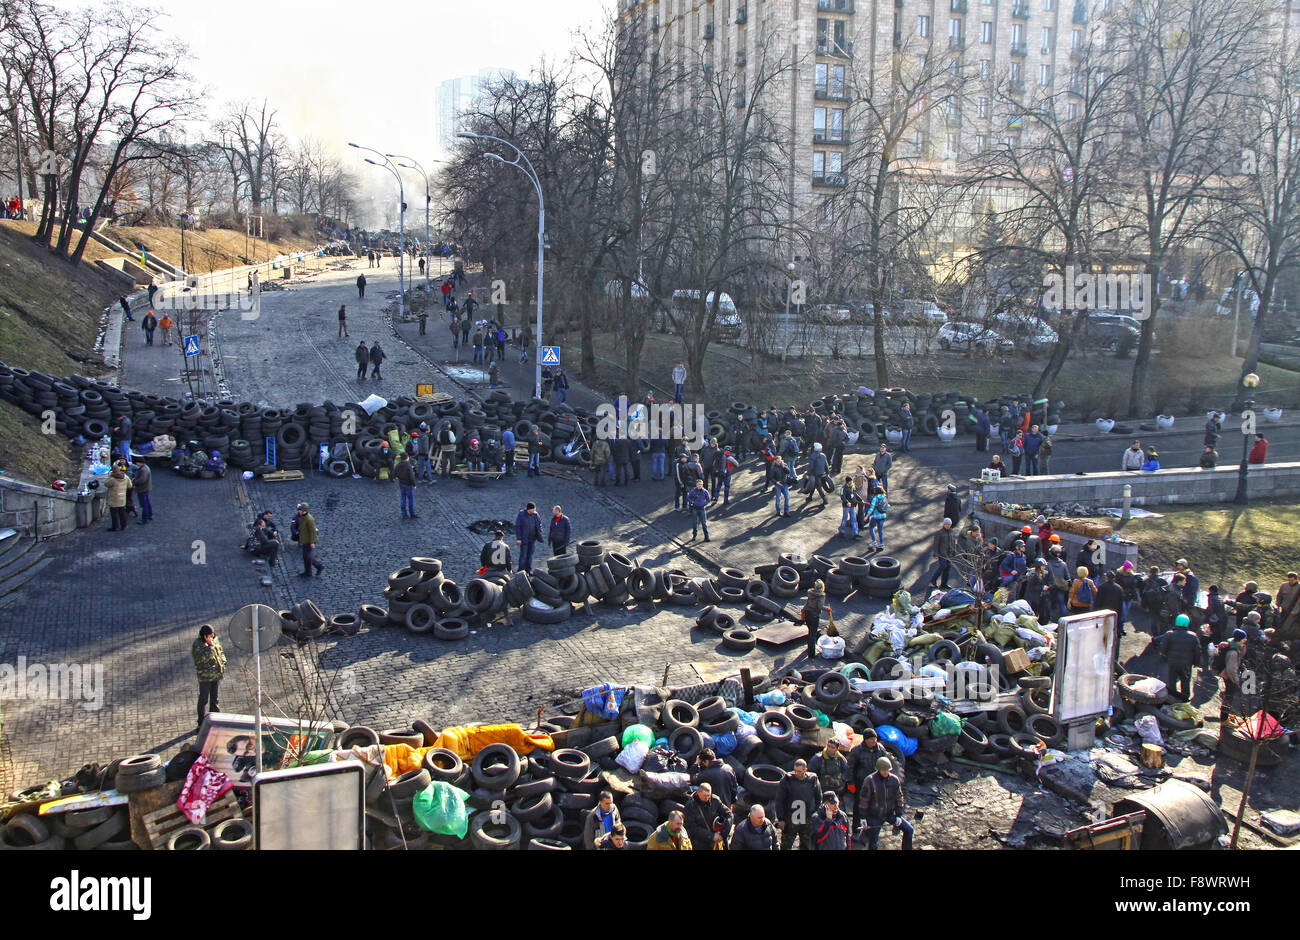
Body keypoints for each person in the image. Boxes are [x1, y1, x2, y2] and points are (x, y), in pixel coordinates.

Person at [859, 757, 912, 850]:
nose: (886, 772)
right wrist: (863, 817)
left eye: (887, 770)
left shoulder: (894, 780)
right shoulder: (869, 781)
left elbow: (899, 797)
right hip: (875, 816)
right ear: (878, 769)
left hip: (890, 814)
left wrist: (899, 815)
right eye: (883, 770)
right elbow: (864, 800)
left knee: (909, 830)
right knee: (873, 843)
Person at [774, 759, 823, 851]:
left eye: (799, 771)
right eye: (795, 771)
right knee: (786, 845)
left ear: (805, 770)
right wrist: (781, 819)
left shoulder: (812, 779)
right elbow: (779, 800)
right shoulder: (787, 780)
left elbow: (818, 798)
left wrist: (817, 815)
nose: (797, 773)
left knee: (807, 845)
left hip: (808, 818)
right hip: (791, 818)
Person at [1157, 614, 1204, 702]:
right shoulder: (1193, 636)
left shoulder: (1169, 634)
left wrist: (1166, 656)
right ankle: (1184, 699)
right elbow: (1198, 651)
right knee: (1185, 682)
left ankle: (1171, 699)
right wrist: (1196, 663)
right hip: (1186, 664)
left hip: (1173, 662)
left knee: (1172, 681)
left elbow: (1163, 649)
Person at [192, 624, 227, 733]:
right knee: (203, 699)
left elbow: (220, 651)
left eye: (213, 636)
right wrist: (210, 647)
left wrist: (223, 661)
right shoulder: (198, 645)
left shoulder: (214, 639)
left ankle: (215, 719)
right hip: (205, 677)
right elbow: (201, 660)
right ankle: (201, 723)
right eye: (210, 636)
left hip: (216, 675)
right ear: (205, 636)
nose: (212, 637)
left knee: (215, 699)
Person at [683, 781, 733, 850]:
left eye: (708, 795)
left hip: (718, 842)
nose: (707, 798)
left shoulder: (715, 800)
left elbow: (729, 815)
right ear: (698, 793)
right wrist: (711, 836)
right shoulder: (690, 806)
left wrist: (723, 834)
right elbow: (691, 828)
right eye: (704, 796)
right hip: (700, 844)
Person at [1216, 629, 1248, 722]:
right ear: (1240, 639)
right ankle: (1224, 719)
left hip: (1228, 675)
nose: (1245, 641)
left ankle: (1224, 717)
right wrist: (1236, 680)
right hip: (1229, 677)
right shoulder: (1233, 652)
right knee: (1228, 698)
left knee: (1228, 697)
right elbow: (1231, 669)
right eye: (1244, 639)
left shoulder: (1234, 646)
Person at [927, 518, 959, 589]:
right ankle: (933, 580)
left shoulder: (952, 532)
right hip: (942, 554)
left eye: (949, 524)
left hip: (950, 554)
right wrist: (936, 554)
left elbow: (954, 542)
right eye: (946, 524)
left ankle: (944, 583)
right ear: (944, 524)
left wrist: (954, 551)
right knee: (943, 566)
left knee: (947, 568)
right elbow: (936, 544)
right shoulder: (940, 533)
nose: (948, 526)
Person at [296, 502, 323, 577]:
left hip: (308, 540)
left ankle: (319, 566)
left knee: (308, 556)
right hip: (305, 539)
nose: (298, 511)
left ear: (303, 510)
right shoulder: (303, 516)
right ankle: (308, 572)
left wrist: (312, 542)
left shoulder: (309, 519)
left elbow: (312, 531)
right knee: (305, 556)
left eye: (300, 510)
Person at [515, 502, 544, 571]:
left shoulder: (536, 515)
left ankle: (528, 570)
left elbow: (539, 524)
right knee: (523, 556)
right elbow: (518, 526)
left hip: (532, 539)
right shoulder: (521, 514)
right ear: (529, 509)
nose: (535, 510)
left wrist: (540, 531)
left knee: (530, 556)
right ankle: (521, 571)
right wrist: (519, 538)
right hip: (524, 539)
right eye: (533, 509)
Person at [802, 580, 827, 658]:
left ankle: (809, 648)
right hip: (814, 616)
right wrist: (828, 609)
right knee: (813, 635)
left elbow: (807, 603)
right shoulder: (821, 596)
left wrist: (802, 612)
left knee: (810, 632)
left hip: (807, 614)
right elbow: (820, 606)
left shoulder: (811, 593)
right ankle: (811, 654)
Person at [104, 464, 132, 532]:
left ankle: (115, 527)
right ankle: (123, 525)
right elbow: (130, 485)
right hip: (122, 498)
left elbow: (106, 484)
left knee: (114, 514)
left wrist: (109, 476)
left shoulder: (112, 479)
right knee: (122, 513)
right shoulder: (125, 477)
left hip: (114, 498)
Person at [803, 442, 829, 508]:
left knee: (818, 486)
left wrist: (808, 474)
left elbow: (811, 467)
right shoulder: (823, 455)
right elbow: (826, 465)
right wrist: (827, 472)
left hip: (815, 473)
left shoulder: (813, 456)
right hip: (822, 473)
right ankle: (810, 496)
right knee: (814, 485)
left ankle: (825, 499)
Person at [394, 452, 418, 519]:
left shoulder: (398, 465)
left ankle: (404, 513)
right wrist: (414, 484)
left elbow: (395, 473)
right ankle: (412, 513)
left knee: (403, 498)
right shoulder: (408, 465)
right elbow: (411, 476)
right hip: (408, 484)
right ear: (407, 458)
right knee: (410, 499)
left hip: (401, 483)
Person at [865, 486, 888, 551]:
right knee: (880, 530)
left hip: (876, 516)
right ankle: (881, 544)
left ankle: (874, 542)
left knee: (871, 527)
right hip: (883, 516)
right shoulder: (884, 496)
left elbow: (872, 508)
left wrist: (867, 516)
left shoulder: (875, 498)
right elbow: (887, 505)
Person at [132, 460, 153, 525]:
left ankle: (145, 518)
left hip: (142, 489)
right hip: (146, 488)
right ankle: (150, 515)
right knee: (147, 502)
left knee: (144, 504)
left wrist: (134, 482)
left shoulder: (143, 470)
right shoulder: (146, 467)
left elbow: (142, 480)